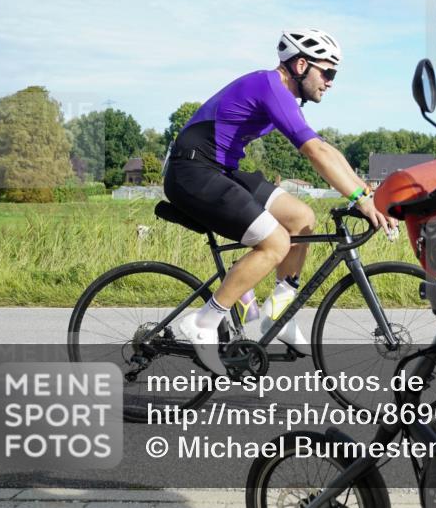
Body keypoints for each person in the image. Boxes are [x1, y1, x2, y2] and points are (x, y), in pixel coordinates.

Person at [165, 27, 396, 375]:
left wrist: (367, 194)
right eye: (327, 72)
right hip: (191, 170)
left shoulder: (282, 94)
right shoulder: (269, 85)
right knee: (276, 241)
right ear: (301, 65)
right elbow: (315, 152)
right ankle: (204, 321)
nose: (331, 82)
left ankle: (280, 311)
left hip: (219, 169)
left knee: (301, 217)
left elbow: (325, 147)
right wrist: (359, 199)